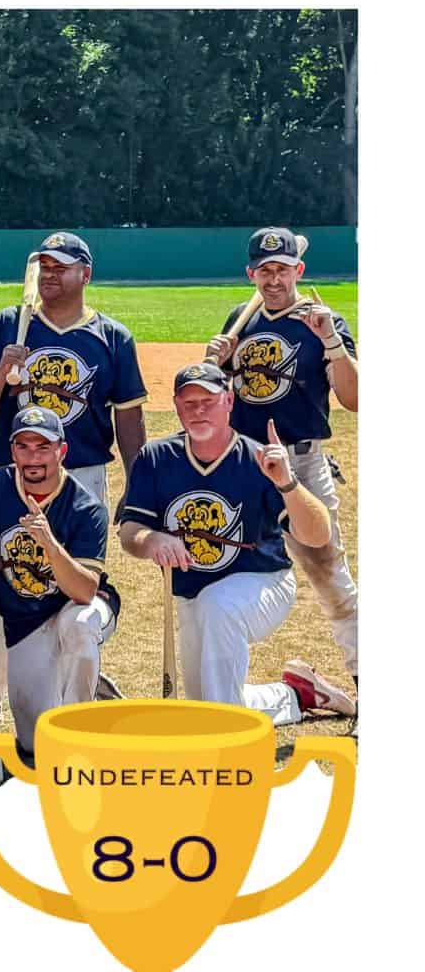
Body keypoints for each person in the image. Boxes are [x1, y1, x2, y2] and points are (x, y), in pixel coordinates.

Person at [118, 362, 355, 723]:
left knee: (219, 609)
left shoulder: (256, 458)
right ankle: (296, 695)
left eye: (208, 401)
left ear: (229, 401)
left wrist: (288, 484)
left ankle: (224, 738)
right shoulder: (157, 458)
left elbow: (317, 535)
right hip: (193, 595)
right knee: (207, 702)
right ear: (176, 406)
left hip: (264, 583)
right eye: (189, 402)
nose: (198, 410)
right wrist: (151, 540)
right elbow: (129, 531)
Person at [205, 225, 359, 691]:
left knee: (330, 575)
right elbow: (212, 402)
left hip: (302, 464)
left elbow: (355, 399)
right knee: (226, 573)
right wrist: (215, 364)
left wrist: (331, 341)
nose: (274, 280)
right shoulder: (241, 319)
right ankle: (225, 694)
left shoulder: (322, 321)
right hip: (246, 463)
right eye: (265, 270)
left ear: (299, 270)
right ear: (251, 273)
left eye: (283, 270)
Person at [0, 406, 119, 761]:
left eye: (43, 448)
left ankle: (80, 724)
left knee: (80, 626)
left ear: (62, 451)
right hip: (25, 622)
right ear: (12, 451)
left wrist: (50, 545)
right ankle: (87, 686)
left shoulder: (86, 507)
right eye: (24, 447)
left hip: (73, 606)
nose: (33, 458)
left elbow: (84, 591)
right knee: (33, 744)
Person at [0, 232, 146, 511]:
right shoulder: (8, 324)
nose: (49, 274)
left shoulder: (113, 337)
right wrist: (1, 372)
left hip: (83, 473)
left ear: (86, 274)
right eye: (45, 267)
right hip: (17, 472)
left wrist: (136, 481)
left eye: (60, 268)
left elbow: (129, 416)